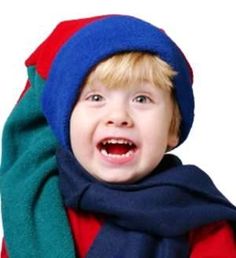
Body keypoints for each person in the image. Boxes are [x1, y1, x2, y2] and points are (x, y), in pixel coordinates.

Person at [1, 14, 236, 258]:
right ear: (65, 126)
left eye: (141, 99)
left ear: (172, 129)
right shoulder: (37, 217)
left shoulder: (202, 223)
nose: (118, 116)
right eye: (95, 98)